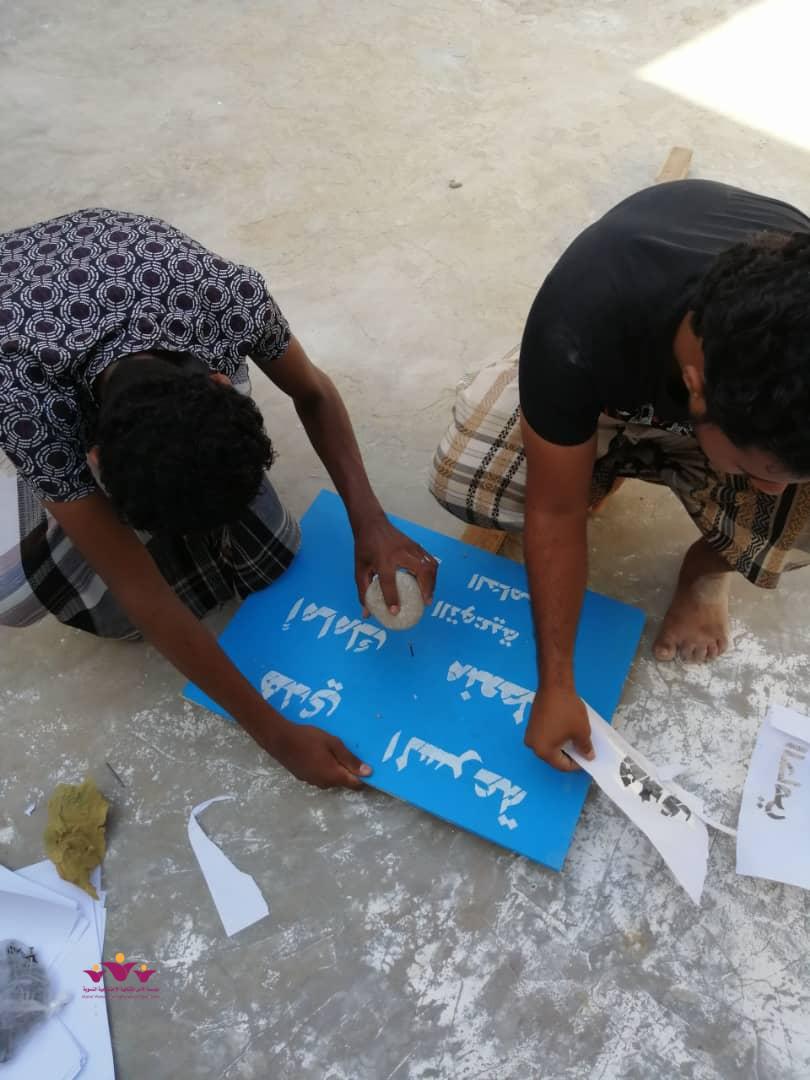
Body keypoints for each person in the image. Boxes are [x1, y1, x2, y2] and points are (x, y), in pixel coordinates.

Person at [0, 207, 437, 788]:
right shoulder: (26, 400)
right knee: (28, 596)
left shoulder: (225, 297)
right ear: (96, 458)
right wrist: (276, 736)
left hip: (134, 281)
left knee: (269, 556)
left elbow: (312, 392)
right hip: (24, 330)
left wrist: (371, 522)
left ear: (219, 382)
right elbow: (139, 590)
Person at [429, 179, 810, 772]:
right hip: (603, 379)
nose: (768, 491)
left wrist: (775, 476)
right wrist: (557, 684)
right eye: (756, 471)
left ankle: (707, 569)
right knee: (472, 476)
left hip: (713, 409)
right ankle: (590, 456)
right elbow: (553, 512)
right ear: (695, 389)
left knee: (803, 520)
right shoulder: (582, 320)